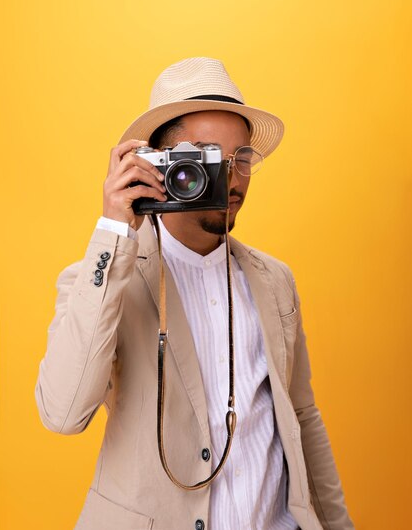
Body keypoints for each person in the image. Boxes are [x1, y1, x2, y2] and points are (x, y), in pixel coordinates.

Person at [35, 57, 354, 530]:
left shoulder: (275, 280)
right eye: (202, 158)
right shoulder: (102, 279)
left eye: (240, 159)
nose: (229, 177)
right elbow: (61, 413)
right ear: (159, 165)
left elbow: (302, 418)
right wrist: (112, 230)